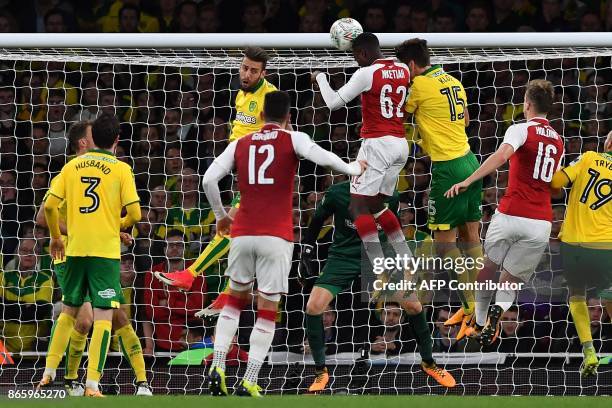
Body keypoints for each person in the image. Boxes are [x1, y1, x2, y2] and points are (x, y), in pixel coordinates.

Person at [202, 91, 365, 397]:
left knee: (234, 301)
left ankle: (219, 364)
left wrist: (222, 216)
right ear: (288, 118)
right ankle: (250, 378)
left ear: (261, 116)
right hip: (277, 237)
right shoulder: (294, 138)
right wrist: (353, 169)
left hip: (243, 233)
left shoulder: (241, 142)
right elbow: (322, 156)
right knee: (266, 309)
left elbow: (209, 180)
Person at [156, 47, 279, 314]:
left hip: (260, 175)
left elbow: (283, 134)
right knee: (241, 234)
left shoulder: (270, 97)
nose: (246, 74)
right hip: (244, 169)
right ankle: (228, 292)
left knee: (232, 228)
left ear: (264, 73)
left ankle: (194, 275)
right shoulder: (241, 93)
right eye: (244, 68)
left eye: (253, 70)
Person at [299, 181, 455, 392]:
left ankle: (429, 362)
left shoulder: (390, 195)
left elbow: (394, 232)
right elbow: (317, 219)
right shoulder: (338, 193)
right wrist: (307, 250)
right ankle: (320, 372)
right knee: (313, 307)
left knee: (414, 307)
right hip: (343, 258)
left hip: (379, 257)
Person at [36, 121, 151, 396]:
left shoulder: (76, 171)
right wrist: (84, 229)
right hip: (74, 252)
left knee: (116, 318)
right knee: (91, 318)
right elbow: (43, 215)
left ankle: (140, 383)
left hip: (84, 249)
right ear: (84, 143)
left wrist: (111, 230)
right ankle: (77, 381)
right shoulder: (75, 170)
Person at [445, 80, 564, 346]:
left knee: (488, 268)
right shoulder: (559, 141)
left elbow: (502, 154)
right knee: (511, 278)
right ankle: (498, 313)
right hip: (541, 222)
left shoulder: (520, 129)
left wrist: (469, 180)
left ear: (527, 104)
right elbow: (555, 183)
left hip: (511, 213)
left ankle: (479, 319)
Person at [312, 33, 415, 312]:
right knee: (377, 205)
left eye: (356, 55)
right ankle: (407, 263)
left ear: (362, 53)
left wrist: (320, 77)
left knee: (357, 206)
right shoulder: (403, 68)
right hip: (400, 144)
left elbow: (333, 103)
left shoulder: (365, 72)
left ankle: (380, 269)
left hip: (377, 145)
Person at [395, 38, 483, 338]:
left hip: (447, 167)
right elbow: (467, 120)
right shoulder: (453, 81)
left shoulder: (418, 85)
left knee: (444, 243)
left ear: (410, 66)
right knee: (471, 236)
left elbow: (398, 115)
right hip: (471, 160)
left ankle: (471, 307)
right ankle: (480, 305)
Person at [549, 130, 612, 376]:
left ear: (607, 143)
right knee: (608, 296)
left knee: (576, 295)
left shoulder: (588, 158)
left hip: (574, 242)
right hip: (605, 244)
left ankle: (588, 349)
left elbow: (555, 183)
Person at [0, 238, 53, 353]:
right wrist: (25, 308)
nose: (28, 254)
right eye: (24, 250)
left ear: (38, 256)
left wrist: (7, 305)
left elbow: (38, 312)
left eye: (33, 251)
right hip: (4, 346)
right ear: (16, 253)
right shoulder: (3, 277)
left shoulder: (45, 280)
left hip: (34, 349)